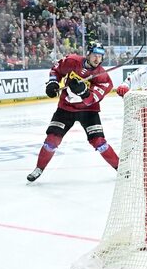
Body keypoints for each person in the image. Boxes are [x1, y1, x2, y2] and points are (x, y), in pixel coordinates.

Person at [26, 41, 118, 182]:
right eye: (94, 55)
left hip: (88, 111)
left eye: (100, 56)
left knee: (99, 142)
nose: (97, 59)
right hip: (65, 108)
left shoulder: (103, 77)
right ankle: (39, 168)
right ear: (88, 54)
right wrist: (53, 83)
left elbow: (93, 99)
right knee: (51, 140)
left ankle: (120, 168)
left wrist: (84, 93)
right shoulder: (72, 61)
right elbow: (56, 70)